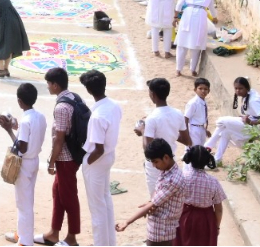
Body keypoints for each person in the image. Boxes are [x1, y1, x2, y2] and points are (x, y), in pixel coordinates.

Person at [0, 83, 47, 246]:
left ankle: (25, 241)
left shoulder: (26, 121)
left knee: (24, 204)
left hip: (24, 163)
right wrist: (16, 127)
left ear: (19, 101)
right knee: (26, 201)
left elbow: (22, 147)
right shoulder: (40, 116)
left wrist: (9, 131)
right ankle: (21, 234)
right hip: (34, 161)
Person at [42, 67, 84, 247]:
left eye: (49, 84)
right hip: (73, 154)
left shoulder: (61, 107)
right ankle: (54, 232)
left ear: (55, 85)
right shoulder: (74, 97)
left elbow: (59, 139)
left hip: (65, 158)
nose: (48, 87)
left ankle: (72, 238)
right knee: (58, 192)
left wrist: (51, 162)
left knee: (68, 197)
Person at [80, 69, 122, 246]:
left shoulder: (97, 116)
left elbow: (98, 148)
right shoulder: (114, 105)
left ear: (89, 90)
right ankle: (109, 243)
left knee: (97, 207)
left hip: (96, 160)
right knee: (105, 200)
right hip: (108, 157)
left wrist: (87, 163)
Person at [114, 139, 182, 244]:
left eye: (156, 162)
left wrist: (127, 222)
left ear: (166, 158)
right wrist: (150, 201)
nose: (154, 166)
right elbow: (157, 191)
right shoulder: (167, 170)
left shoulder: (173, 180)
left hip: (162, 231)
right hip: (160, 228)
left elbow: (153, 205)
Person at [138, 77, 192, 196]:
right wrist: (170, 131)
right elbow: (187, 140)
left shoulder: (152, 118)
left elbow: (147, 149)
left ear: (152, 94)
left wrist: (143, 130)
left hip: (156, 165)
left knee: (155, 197)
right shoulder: (178, 113)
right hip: (171, 162)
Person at [204, 76, 260, 165]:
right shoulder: (248, 94)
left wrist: (251, 122)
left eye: (241, 88)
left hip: (259, 128)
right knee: (225, 132)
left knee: (221, 121)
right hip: (251, 124)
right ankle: (216, 160)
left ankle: (206, 148)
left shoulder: (253, 100)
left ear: (247, 88)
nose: (238, 91)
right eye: (236, 88)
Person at [175, 145, 226, 246]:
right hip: (206, 220)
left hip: (184, 216)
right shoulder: (213, 182)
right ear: (207, 161)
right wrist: (217, 226)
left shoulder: (182, 177)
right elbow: (219, 209)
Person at [174, 0, 217, 77]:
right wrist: (215, 18)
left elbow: (179, 5)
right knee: (196, 44)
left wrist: (175, 17)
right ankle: (193, 69)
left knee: (182, 44)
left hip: (187, 15)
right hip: (201, 16)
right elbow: (212, 10)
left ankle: (178, 70)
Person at [184, 78, 212, 149]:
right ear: (195, 90)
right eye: (200, 88)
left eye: (205, 89)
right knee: (195, 150)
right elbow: (186, 118)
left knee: (201, 148)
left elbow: (201, 117)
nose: (203, 91)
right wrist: (186, 135)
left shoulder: (203, 101)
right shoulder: (193, 103)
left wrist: (205, 130)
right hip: (194, 129)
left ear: (209, 91)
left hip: (201, 128)